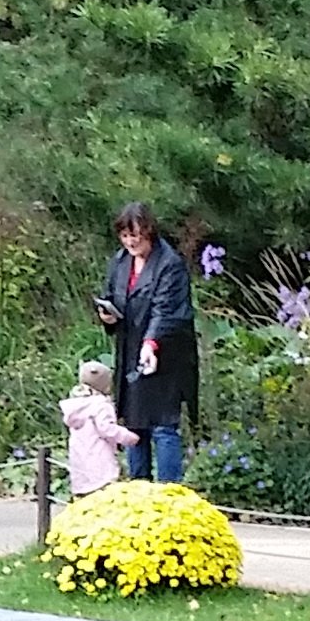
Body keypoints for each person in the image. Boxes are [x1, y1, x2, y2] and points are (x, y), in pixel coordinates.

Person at [97, 200, 198, 482]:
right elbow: (112, 297)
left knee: (164, 426)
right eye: (125, 235)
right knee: (134, 425)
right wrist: (107, 317)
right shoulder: (119, 261)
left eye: (136, 235)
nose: (130, 241)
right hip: (130, 352)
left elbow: (166, 311)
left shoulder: (170, 264)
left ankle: (168, 495)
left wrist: (151, 342)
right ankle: (139, 493)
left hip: (166, 358)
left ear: (149, 231)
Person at [61, 360, 139, 495]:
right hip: (100, 455)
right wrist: (129, 437)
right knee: (104, 490)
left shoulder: (76, 405)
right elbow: (107, 429)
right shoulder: (100, 405)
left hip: (79, 456)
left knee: (86, 490)